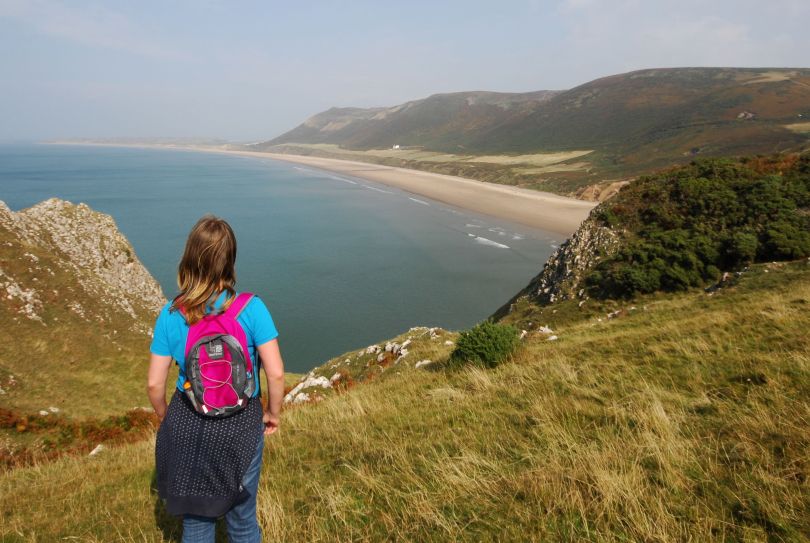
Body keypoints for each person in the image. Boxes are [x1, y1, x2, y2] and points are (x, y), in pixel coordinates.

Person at [147, 215, 285, 543]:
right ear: (230, 260)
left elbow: (154, 384)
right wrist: (273, 413)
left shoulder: (171, 314)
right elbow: (276, 372)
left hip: (187, 424)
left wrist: (166, 416)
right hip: (241, 427)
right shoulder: (252, 308)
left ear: (189, 258)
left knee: (196, 524)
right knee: (243, 521)